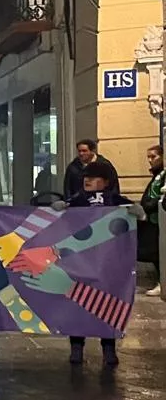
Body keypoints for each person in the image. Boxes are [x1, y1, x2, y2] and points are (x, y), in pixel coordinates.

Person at [56, 160, 134, 370]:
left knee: (108, 304)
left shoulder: (114, 200)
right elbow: (67, 213)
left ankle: (108, 347)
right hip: (82, 262)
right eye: (85, 177)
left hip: (108, 263)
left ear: (106, 182)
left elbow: (129, 210)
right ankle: (77, 346)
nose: (87, 181)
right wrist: (63, 207)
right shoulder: (79, 199)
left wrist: (135, 211)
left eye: (93, 177)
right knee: (78, 302)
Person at [141, 145, 163, 296]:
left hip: (159, 216)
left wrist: (149, 205)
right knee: (155, 251)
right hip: (153, 219)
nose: (150, 160)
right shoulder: (156, 175)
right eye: (148, 157)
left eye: (153, 157)